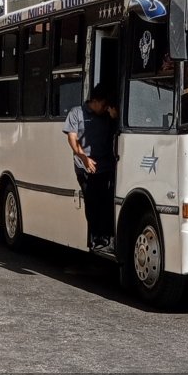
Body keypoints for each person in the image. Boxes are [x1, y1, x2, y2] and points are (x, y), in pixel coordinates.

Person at [63, 84, 118, 252]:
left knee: (106, 202)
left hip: (105, 165)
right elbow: (72, 139)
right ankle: (95, 239)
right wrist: (84, 158)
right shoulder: (76, 113)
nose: (105, 108)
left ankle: (106, 238)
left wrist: (114, 117)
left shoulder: (107, 115)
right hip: (84, 167)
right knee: (92, 201)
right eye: (103, 104)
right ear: (94, 101)